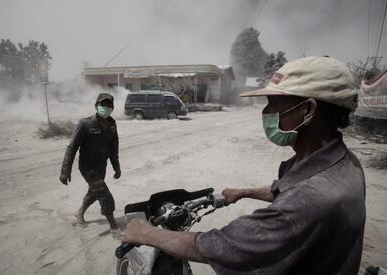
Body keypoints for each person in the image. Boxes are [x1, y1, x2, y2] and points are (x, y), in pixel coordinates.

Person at [121, 56, 366, 274]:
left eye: (273, 103)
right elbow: (291, 190)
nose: (266, 112)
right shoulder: (343, 163)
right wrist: (245, 192)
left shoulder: (310, 200)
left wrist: (147, 233)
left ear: (307, 111)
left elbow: (224, 246)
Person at [60, 93, 121, 237]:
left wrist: (116, 167)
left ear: (112, 108)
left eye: (108, 105)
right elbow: (72, 147)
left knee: (94, 192)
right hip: (88, 167)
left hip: (101, 166)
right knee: (105, 197)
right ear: (96, 106)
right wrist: (65, 171)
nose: (105, 108)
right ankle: (114, 227)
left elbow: (114, 148)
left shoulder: (112, 124)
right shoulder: (85, 124)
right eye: (102, 105)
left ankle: (79, 212)